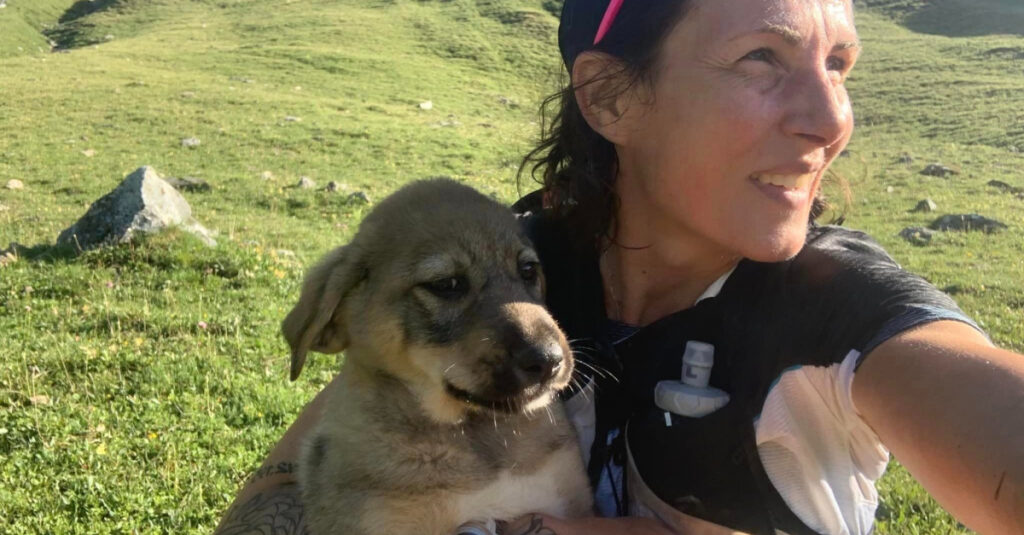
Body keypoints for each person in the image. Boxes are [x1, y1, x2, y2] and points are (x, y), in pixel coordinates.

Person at [215, 0, 1024, 533]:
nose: (831, 118)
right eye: (761, 60)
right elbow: (291, 474)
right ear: (609, 99)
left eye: (839, 63)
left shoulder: (844, 312)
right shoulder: (528, 262)